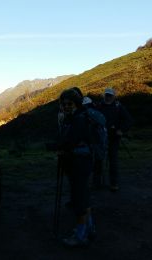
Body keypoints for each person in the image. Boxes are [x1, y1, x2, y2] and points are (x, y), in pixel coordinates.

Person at [57, 88, 95, 247]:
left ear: (77, 104)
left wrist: (56, 146)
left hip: (79, 164)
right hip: (80, 163)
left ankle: (80, 235)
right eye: (63, 104)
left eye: (69, 103)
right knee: (83, 197)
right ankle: (88, 228)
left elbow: (68, 142)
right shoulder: (75, 117)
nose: (66, 106)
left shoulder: (78, 120)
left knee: (80, 200)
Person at [94, 87, 133, 191]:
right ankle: (97, 183)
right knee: (98, 160)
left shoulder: (118, 106)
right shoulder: (99, 106)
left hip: (114, 137)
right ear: (104, 95)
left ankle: (113, 183)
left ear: (114, 96)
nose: (108, 97)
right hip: (100, 138)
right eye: (106, 95)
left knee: (113, 161)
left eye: (110, 95)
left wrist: (121, 130)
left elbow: (128, 120)